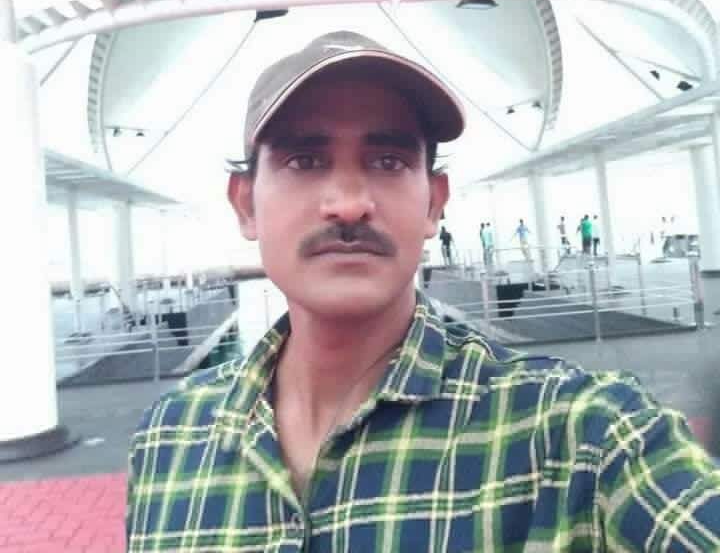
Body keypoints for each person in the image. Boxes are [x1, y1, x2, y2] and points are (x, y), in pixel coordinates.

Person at [127, 31, 720, 552]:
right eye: (304, 160)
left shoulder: (580, 435)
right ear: (244, 204)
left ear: (434, 202)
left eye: (387, 161)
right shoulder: (167, 441)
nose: (349, 204)